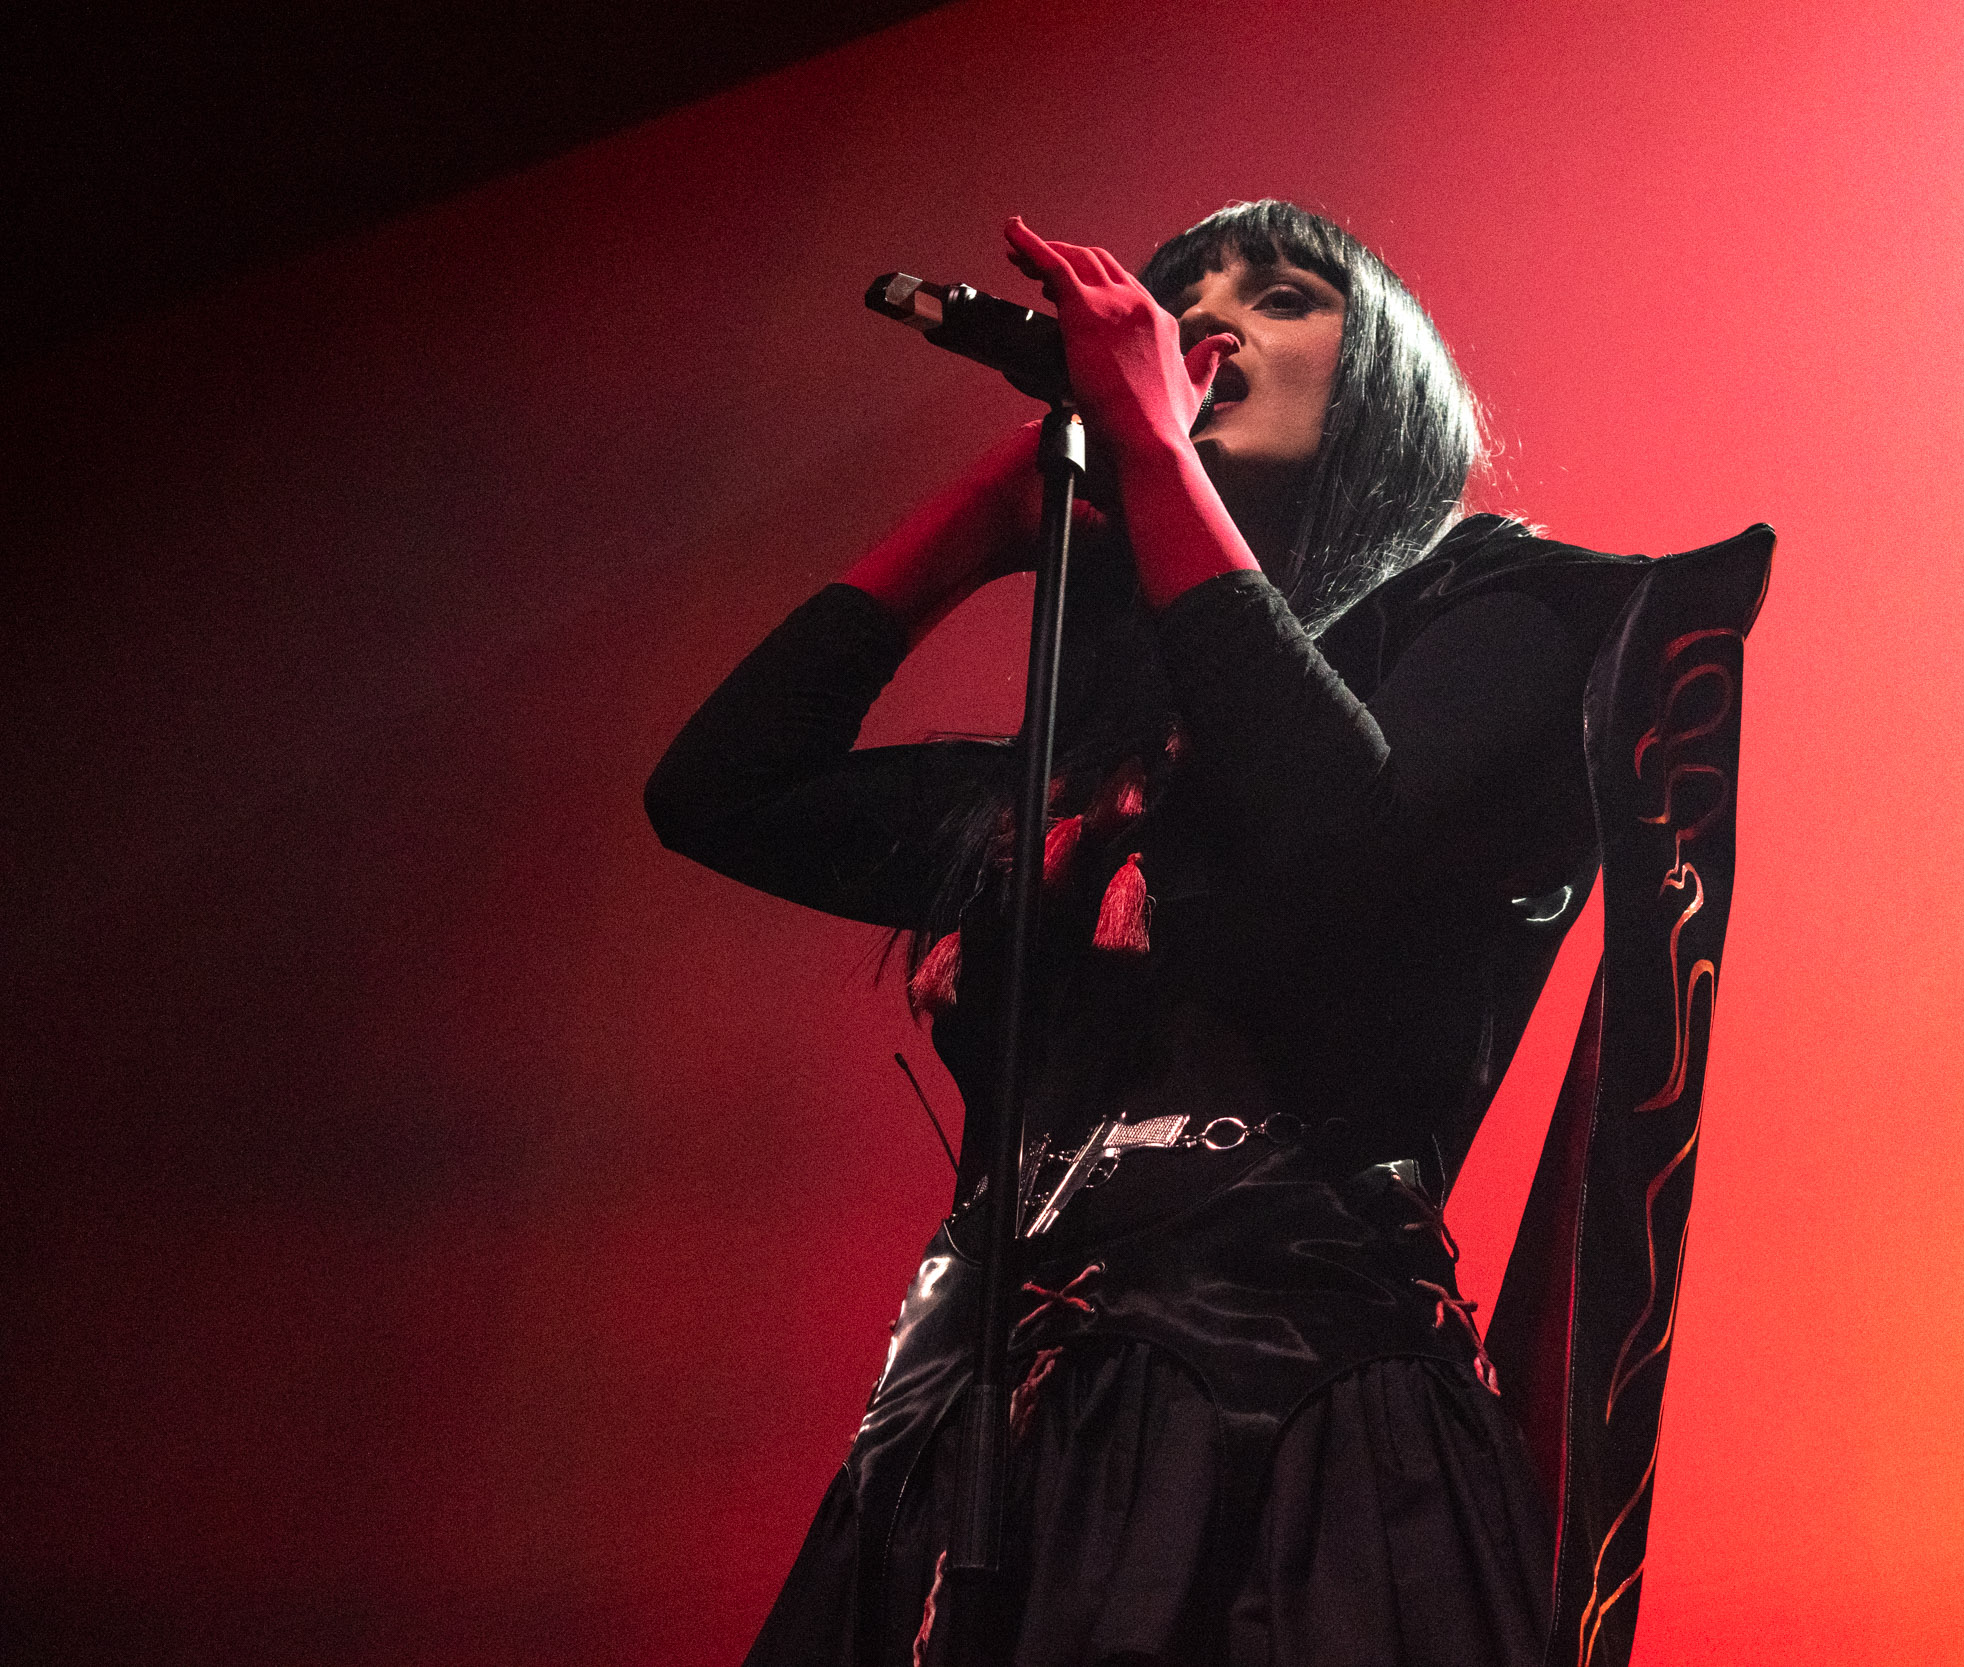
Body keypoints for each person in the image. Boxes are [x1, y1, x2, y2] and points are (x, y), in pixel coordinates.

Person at [647, 201, 1758, 1667]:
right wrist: (978, 523)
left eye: (1283, 296)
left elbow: (1332, 838)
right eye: (1182, 305)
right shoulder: (1090, 778)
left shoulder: (1523, 611)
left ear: (1392, 385)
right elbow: (721, 794)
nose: (1207, 324)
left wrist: (1159, 456)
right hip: (985, 1441)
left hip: (1291, 1433)